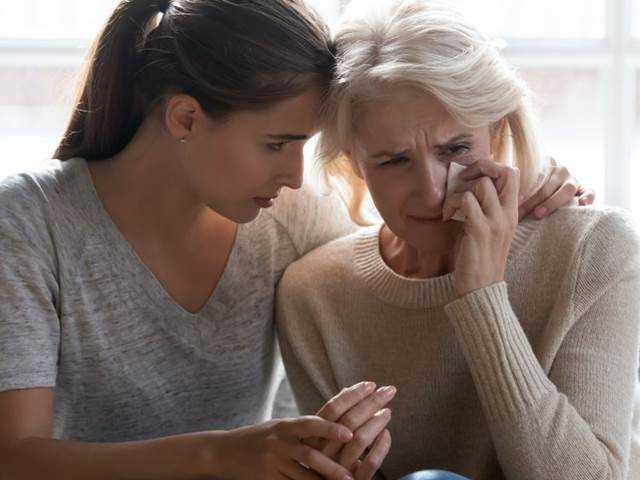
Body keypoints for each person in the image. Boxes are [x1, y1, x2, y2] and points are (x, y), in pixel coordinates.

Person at [0, 0, 592, 479]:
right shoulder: (29, 223)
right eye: (277, 144)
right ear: (184, 119)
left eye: (303, 147)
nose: (294, 176)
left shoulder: (289, 219)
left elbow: (410, 246)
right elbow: (14, 457)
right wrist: (225, 455)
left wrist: (531, 177)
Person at [276, 1, 640, 479]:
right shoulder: (313, 293)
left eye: (456, 149)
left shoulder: (594, 249)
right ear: (353, 164)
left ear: (497, 131)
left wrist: (483, 297)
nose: (430, 190)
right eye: (393, 161)